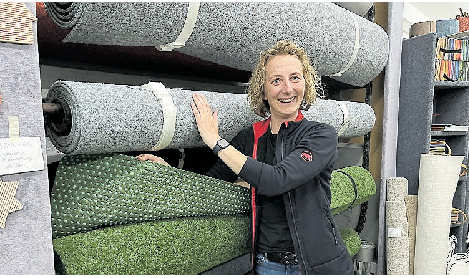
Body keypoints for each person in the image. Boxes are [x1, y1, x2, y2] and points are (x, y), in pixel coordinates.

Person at [137, 40, 354, 275]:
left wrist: (216, 141)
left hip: (319, 265)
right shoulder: (249, 138)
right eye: (276, 80)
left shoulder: (320, 135)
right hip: (267, 264)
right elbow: (212, 182)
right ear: (263, 89)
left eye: (295, 78)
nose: (288, 89)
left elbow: (277, 180)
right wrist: (170, 173)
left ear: (306, 83)